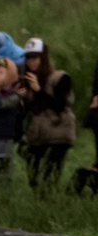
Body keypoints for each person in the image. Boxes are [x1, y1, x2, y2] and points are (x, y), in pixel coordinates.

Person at [19, 43, 77, 190]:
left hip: (58, 133)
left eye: (35, 58)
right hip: (36, 136)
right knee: (33, 178)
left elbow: (59, 105)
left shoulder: (60, 77)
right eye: (28, 58)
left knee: (49, 177)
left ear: (44, 59)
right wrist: (22, 98)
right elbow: (27, 112)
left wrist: (38, 90)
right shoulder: (26, 81)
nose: (31, 62)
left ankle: (53, 206)